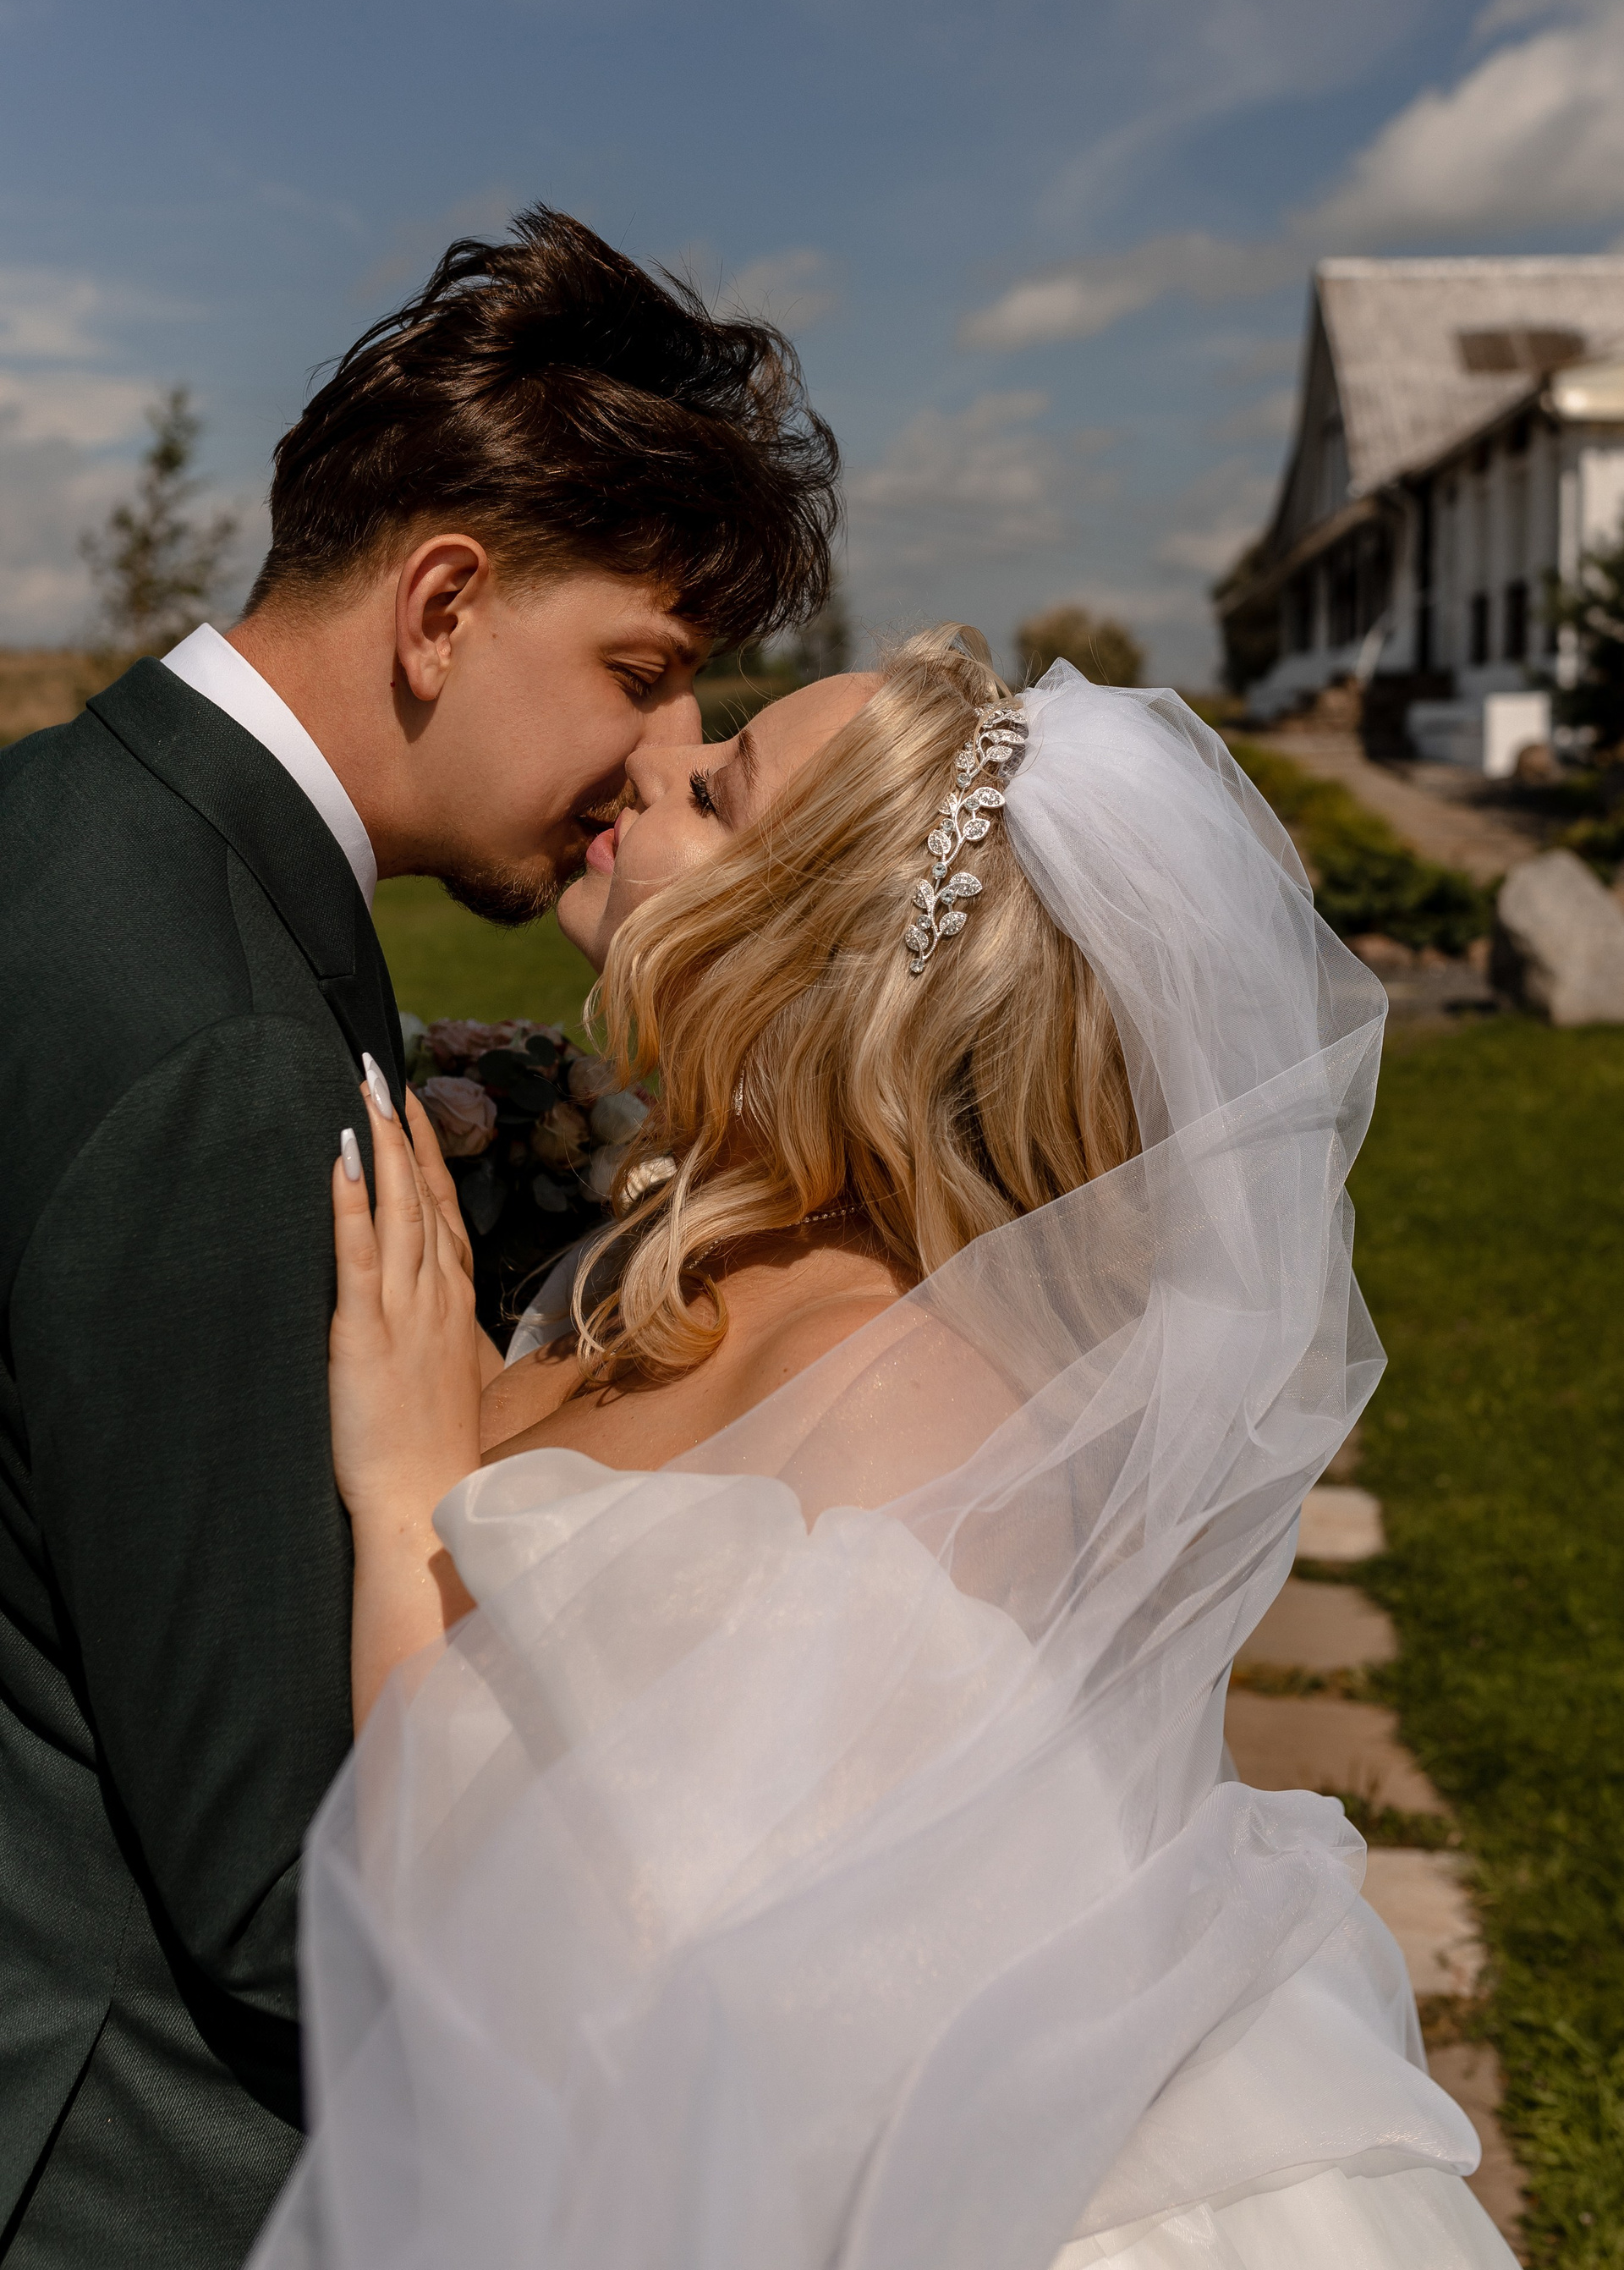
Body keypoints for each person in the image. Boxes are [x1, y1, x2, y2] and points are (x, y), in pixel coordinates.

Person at [261, 630, 1517, 2269]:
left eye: (718, 792)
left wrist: (403, 1498)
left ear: (821, 956)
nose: (656, 761)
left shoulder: (904, 1401)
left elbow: (600, 2004)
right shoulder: (682, 1254)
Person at [0, 205, 837, 2269]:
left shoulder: (65, 821)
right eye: (640, 674)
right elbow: (285, 1879)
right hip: (141, 2164)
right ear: (445, 603)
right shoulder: (224, 1053)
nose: (653, 764)